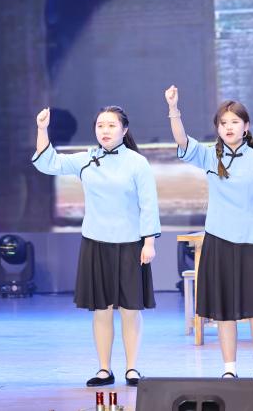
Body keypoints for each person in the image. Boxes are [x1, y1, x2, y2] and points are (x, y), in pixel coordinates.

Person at [32, 105, 159, 388]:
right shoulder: (87, 158)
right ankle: (104, 369)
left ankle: (132, 368)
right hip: (96, 243)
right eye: (100, 125)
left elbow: (149, 204)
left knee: (130, 309)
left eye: (111, 125)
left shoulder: (137, 162)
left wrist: (149, 242)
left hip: (131, 244)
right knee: (102, 309)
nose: (105, 130)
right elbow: (47, 163)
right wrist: (42, 129)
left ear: (124, 130)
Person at [164, 86, 253, 380]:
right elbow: (182, 141)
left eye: (234, 122)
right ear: (217, 128)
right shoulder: (209, 156)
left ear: (246, 127)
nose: (229, 127)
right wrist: (174, 109)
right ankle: (229, 369)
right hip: (219, 241)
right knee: (224, 311)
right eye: (223, 123)